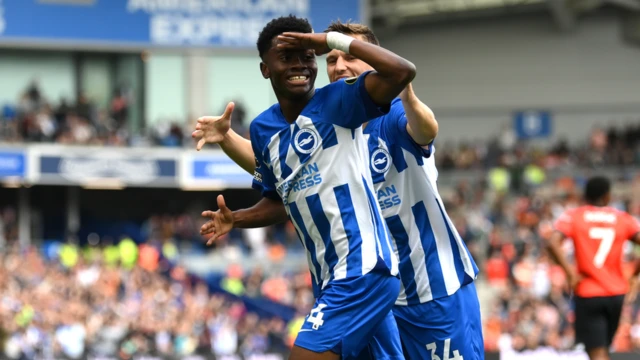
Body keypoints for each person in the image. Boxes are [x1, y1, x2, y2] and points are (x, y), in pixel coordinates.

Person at [193, 21, 484, 360]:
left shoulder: (385, 116)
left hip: (429, 286)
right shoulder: (323, 119)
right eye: (331, 59)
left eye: (347, 54)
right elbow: (285, 179)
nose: (339, 65)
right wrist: (228, 143)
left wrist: (405, 94)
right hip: (382, 297)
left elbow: (424, 126)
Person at [546, 176, 640, 360]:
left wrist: (570, 273)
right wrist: (635, 274)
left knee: (596, 353)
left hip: (589, 292)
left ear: (586, 196)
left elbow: (552, 243)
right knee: (602, 348)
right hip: (616, 293)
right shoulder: (622, 218)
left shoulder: (574, 216)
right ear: (607, 197)